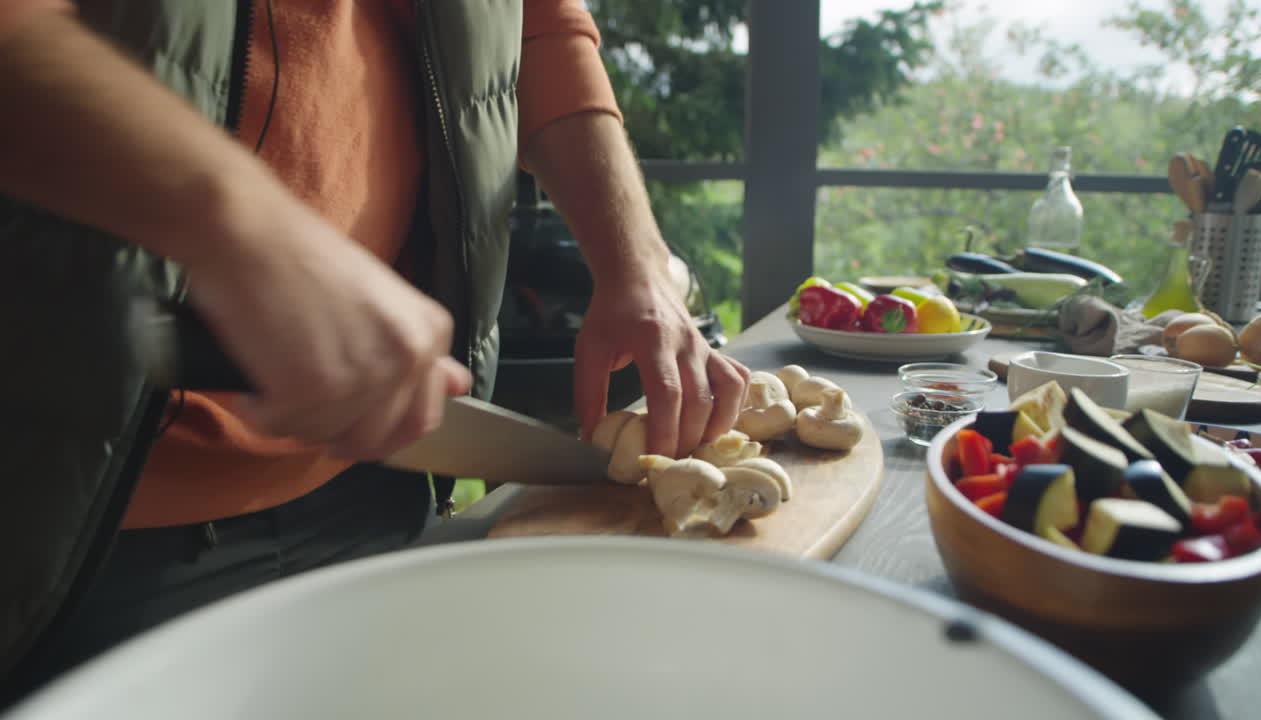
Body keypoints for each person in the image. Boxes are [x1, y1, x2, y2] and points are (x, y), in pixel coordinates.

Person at [0, 0, 750, 702]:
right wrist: (243, 226)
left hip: (379, 486)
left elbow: (535, 22)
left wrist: (638, 262)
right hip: (73, 523)